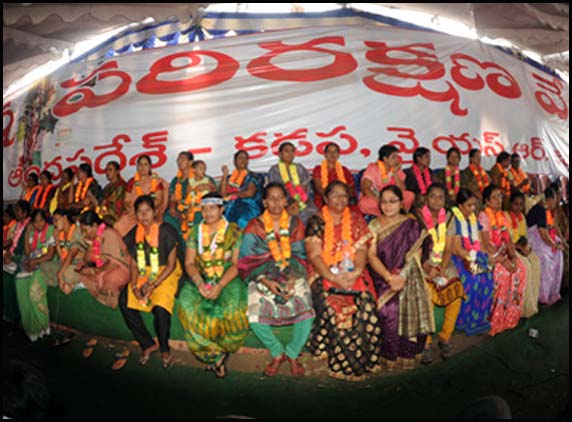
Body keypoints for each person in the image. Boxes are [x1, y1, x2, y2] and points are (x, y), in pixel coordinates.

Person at [305, 181, 381, 380]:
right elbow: (314, 256)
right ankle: (341, 362)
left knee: (365, 304)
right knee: (332, 307)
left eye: (344, 195)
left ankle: (367, 359)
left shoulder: (356, 219)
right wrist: (333, 277)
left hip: (354, 271)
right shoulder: (316, 221)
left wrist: (356, 272)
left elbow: (363, 249)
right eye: (335, 195)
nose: (340, 199)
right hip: (324, 273)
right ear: (327, 198)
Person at [238, 183, 315, 377]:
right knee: (255, 316)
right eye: (271, 198)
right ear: (264, 202)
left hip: (292, 273)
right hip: (262, 275)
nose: (276, 202)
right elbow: (247, 259)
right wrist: (265, 281)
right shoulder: (254, 225)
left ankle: (293, 353)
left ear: (285, 200)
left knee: (307, 310)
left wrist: (291, 280)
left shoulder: (295, 223)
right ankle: (277, 352)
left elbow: (299, 255)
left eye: (280, 197)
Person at [178, 193, 249, 378]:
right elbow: (189, 263)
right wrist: (199, 283)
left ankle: (223, 350)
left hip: (228, 277)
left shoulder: (234, 231)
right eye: (204, 208)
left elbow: (235, 264)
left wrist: (219, 286)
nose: (207, 212)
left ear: (221, 209)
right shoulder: (195, 232)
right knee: (186, 305)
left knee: (233, 309)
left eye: (212, 208)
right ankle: (214, 356)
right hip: (201, 277)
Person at [367, 185, 433, 371]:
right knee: (389, 308)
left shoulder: (412, 224)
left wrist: (402, 277)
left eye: (392, 201)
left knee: (412, 300)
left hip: (408, 275)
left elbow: (417, 254)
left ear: (401, 203)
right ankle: (388, 355)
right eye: (384, 202)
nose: (387, 206)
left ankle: (408, 353)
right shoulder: (374, 225)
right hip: (382, 275)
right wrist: (389, 278)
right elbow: (371, 256)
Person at [120, 195, 183, 369]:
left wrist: (153, 284)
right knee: (124, 301)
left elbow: (171, 265)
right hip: (143, 271)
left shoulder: (167, 230)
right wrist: (134, 286)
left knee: (160, 309)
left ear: (155, 212)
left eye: (148, 210)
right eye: (140, 212)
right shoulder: (135, 232)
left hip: (165, 272)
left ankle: (165, 349)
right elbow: (133, 264)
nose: (144, 215)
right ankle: (147, 344)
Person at [416, 183, 464, 362]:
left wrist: (442, 269)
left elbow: (449, 248)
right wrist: (426, 267)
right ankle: (426, 342)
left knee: (456, 289)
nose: (436, 200)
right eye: (432, 196)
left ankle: (445, 337)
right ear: (426, 199)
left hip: (443, 262)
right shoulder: (417, 217)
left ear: (445, 201)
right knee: (425, 291)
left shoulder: (450, 218)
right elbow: (414, 248)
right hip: (422, 263)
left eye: (440, 197)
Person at [479, 185, 527, 336]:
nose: (499, 200)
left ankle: (510, 316)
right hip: (488, 254)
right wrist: (503, 261)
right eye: (494, 197)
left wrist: (513, 256)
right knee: (503, 273)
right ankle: (495, 319)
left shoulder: (501, 216)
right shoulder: (483, 216)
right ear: (486, 201)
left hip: (503, 253)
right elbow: (487, 245)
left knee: (520, 269)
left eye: (500, 196)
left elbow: (509, 241)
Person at [449, 189, 494, 336]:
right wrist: (471, 258)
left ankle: (480, 319)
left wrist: (488, 256)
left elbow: (479, 242)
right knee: (473, 280)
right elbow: (456, 249)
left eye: (474, 205)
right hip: (459, 258)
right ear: (460, 206)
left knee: (487, 277)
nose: (473, 209)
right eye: (469, 206)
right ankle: (464, 322)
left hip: (474, 254)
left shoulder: (473, 219)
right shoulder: (455, 219)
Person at [72, 211, 132, 308]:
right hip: (105, 268)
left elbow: (114, 263)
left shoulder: (108, 234)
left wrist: (94, 270)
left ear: (95, 225)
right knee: (81, 271)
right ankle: (105, 291)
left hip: (120, 269)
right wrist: (90, 247)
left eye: (85, 230)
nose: (84, 234)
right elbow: (87, 260)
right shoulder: (96, 238)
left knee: (107, 278)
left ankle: (111, 294)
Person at [14, 209, 56, 341]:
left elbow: (50, 255)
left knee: (34, 289)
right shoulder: (31, 231)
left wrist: (35, 261)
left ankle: (43, 326)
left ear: (46, 220)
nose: (39, 224)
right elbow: (27, 252)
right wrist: (27, 233)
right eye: (35, 221)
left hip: (46, 265)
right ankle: (31, 328)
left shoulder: (51, 230)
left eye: (41, 220)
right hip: (32, 262)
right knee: (20, 284)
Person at [526, 187, 564, 305]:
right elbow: (542, 234)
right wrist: (554, 245)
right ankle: (542, 296)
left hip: (544, 240)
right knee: (546, 259)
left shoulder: (547, 211)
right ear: (549, 200)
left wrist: (560, 243)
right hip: (534, 241)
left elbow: (552, 228)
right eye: (555, 200)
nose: (556, 203)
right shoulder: (540, 210)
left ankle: (553, 292)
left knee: (558, 254)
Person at [506, 191, 541, 318]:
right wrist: (519, 248)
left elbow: (525, 236)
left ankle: (533, 304)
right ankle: (523, 309)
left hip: (522, 247)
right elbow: (507, 240)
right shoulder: (506, 217)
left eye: (521, 205)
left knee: (536, 262)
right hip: (511, 249)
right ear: (510, 205)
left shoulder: (522, 217)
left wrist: (527, 247)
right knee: (526, 267)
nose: (519, 207)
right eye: (516, 204)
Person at [114, 155, 169, 236]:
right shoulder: (132, 181)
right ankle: (126, 247)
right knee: (118, 225)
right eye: (140, 164)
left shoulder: (156, 181)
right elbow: (126, 200)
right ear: (137, 167)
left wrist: (143, 208)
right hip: (133, 212)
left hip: (149, 213)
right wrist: (130, 209)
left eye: (145, 164)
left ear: (150, 167)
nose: (142, 167)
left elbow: (157, 201)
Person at [268, 142, 317, 225]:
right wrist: (288, 202)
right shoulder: (275, 170)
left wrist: (300, 200)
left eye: (292, 151)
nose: (290, 154)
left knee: (313, 215)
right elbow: (275, 190)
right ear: (280, 154)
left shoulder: (299, 167)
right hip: (283, 202)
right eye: (286, 151)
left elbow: (306, 187)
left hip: (302, 201)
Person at [359, 144, 414, 216]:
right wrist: (380, 201)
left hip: (393, 198)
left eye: (397, 157)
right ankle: (389, 215)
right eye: (393, 157)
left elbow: (402, 189)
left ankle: (400, 215)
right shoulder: (373, 168)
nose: (397, 160)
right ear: (385, 159)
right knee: (364, 204)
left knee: (410, 195)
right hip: (377, 197)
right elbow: (366, 188)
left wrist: (395, 173)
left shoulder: (396, 169)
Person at [3, 201, 31, 323]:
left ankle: (13, 313)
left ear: (25, 213)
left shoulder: (29, 226)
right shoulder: (18, 225)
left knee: (9, 275)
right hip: (14, 255)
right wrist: (8, 252)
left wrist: (13, 257)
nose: (16, 213)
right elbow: (11, 242)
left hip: (24, 259)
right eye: (15, 211)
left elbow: (27, 250)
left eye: (18, 211)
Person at [220, 150, 263, 229]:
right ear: (234, 161)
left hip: (248, 206)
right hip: (231, 206)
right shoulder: (230, 177)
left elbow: (249, 193)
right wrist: (224, 176)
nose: (243, 160)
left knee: (241, 219)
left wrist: (233, 195)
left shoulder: (253, 176)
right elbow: (223, 194)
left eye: (245, 158)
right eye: (240, 158)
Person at [311, 143, 357, 209]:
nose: (332, 154)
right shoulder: (318, 169)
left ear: (338, 155)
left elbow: (350, 187)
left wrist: (343, 197)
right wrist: (331, 198)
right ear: (325, 154)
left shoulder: (344, 170)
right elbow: (319, 188)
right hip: (324, 199)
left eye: (335, 151)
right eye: (329, 152)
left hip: (343, 199)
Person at [165, 151, 195, 239]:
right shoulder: (175, 180)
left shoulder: (196, 177)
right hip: (179, 210)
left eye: (183, 159)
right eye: (178, 159)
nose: (179, 162)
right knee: (167, 218)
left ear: (190, 162)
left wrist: (186, 212)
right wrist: (172, 208)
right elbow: (173, 198)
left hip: (192, 209)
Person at [99, 161, 127, 226]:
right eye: (106, 170)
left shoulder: (121, 185)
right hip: (104, 215)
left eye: (110, 170)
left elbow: (117, 205)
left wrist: (104, 207)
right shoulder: (107, 187)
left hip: (115, 219)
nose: (107, 172)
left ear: (117, 172)